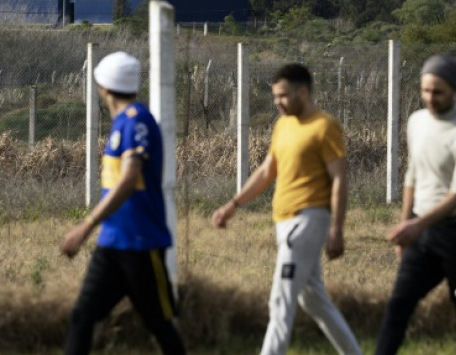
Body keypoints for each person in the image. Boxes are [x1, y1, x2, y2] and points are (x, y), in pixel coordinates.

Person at [211, 63, 362, 355]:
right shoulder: (283, 125)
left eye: (282, 96)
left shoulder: (324, 126)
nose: (277, 102)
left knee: (280, 302)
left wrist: (337, 230)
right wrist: (233, 204)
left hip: (307, 221)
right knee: (314, 300)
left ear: (302, 91)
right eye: (275, 97)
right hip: (285, 222)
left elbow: (340, 180)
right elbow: (267, 171)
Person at [61, 51, 186, 355]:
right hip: (112, 243)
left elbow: (130, 177)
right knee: (83, 315)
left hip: (142, 244)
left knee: (159, 324)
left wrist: (86, 226)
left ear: (103, 87)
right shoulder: (122, 124)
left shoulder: (136, 122)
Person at [375, 55, 456, 355]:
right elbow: (412, 175)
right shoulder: (416, 122)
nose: (429, 98)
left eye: (437, 92)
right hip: (419, 233)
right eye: (425, 90)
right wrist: (406, 224)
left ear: (454, 90)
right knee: (398, 305)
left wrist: (415, 225)